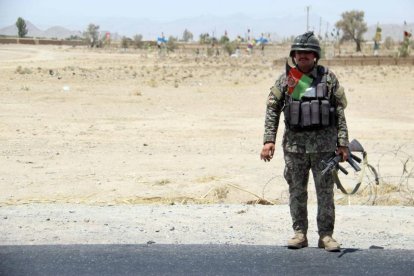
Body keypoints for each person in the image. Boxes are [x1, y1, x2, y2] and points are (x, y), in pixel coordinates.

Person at [260, 31, 349, 252]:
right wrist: (268, 140)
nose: (303, 57)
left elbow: (339, 112)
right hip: (295, 148)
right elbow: (272, 109)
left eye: (308, 54)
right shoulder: (287, 81)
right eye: (299, 54)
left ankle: (326, 236)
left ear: (315, 56)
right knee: (297, 191)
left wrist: (343, 143)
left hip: (324, 148)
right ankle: (299, 233)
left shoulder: (328, 78)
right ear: (294, 56)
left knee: (325, 193)